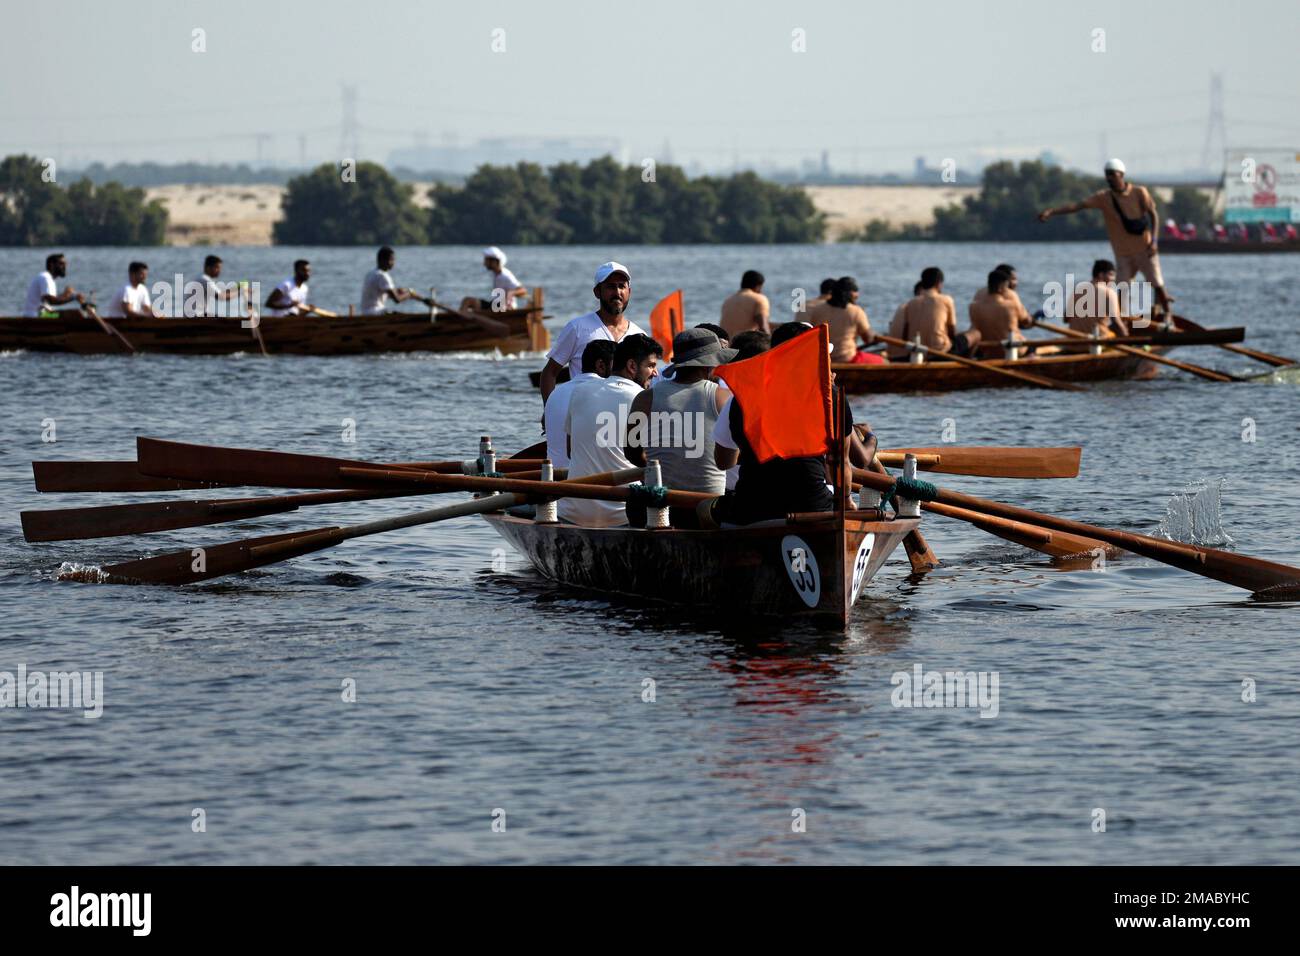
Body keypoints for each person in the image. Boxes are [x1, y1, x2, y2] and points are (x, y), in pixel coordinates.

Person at [713, 322, 875, 525]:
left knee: (706, 509)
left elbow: (724, 461)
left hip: (752, 508)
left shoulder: (742, 396)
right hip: (812, 507)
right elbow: (841, 463)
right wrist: (847, 502)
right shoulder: (830, 397)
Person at [626, 328, 734, 527]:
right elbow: (727, 463)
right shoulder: (723, 398)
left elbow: (631, 452)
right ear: (709, 363)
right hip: (707, 509)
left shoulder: (644, 398)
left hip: (661, 505)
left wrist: (658, 464)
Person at [1038, 159, 1173, 315]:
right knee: (1121, 289)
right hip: (1123, 254)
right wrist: (1051, 212)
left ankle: (1168, 315)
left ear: (1121, 174)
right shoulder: (1103, 198)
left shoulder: (1139, 192)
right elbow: (1077, 206)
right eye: (1107, 175)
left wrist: (1154, 241)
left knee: (1157, 283)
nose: (1109, 178)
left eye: (1112, 174)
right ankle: (1121, 322)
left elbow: (1153, 215)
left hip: (1145, 249)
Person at [560, 333, 662, 527]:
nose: (655, 373)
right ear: (632, 366)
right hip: (624, 516)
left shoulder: (580, 391)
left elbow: (569, 451)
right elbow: (658, 463)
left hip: (572, 512)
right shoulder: (645, 399)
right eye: (651, 366)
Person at [539, 261, 646, 402]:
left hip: (625, 415)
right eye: (611, 287)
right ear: (597, 292)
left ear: (629, 292)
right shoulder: (577, 328)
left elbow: (645, 381)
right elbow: (550, 373)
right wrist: (549, 409)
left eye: (622, 286)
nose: (617, 292)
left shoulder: (639, 336)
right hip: (583, 413)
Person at [543, 339, 614, 470]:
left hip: (552, 475)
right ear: (601, 366)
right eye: (616, 366)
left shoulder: (556, 393)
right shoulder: (603, 392)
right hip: (583, 479)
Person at [806, 276, 879, 363]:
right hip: (847, 359)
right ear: (849, 293)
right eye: (855, 291)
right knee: (885, 361)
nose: (857, 295)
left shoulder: (817, 309)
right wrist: (875, 336)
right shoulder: (856, 311)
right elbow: (868, 339)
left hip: (823, 359)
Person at [967, 269, 1032, 358]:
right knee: (1032, 348)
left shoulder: (973, 307)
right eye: (1006, 288)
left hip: (987, 351)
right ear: (1001, 288)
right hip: (1011, 350)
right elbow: (1027, 321)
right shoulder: (1011, 305)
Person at [894, 267, 957, 355]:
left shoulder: (911, 303)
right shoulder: (946, 300)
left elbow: (905, 337)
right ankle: (967, 366)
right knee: (975, 334)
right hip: (940, 351)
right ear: (939, 283)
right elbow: (952, 334)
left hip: (917, 351)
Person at [1065, 259, 1128, 347]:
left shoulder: (1078, 290)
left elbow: (1065, 319)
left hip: (1072, 345)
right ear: (1101, 275)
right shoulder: (1109, 293)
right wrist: (1128, 340)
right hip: (1095, 346)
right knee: (1117, 332)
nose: (1114, 279)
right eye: (1111, 275)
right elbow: (1117, 323)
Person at [359, 246, 432, 315]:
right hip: (376, 313)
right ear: (382, 260)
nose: (393, 263)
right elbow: (397, 299)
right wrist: (409, 294)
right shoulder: (383, 276)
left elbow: (389, 292)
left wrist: (423, 299)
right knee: (402, 317)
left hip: (365, 312)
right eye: (391, 260)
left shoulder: (371, 273)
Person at [463, 246, 527, 313]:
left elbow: (523, 290)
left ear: (494, 261)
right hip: (496, 305)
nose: (484, 264)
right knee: (468, 301)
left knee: (469, 302)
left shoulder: (505, 275)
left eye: (486, 261)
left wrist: (511, 293)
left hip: (505, 308)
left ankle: (460, 320)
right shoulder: (496, 274)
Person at [23, 253, 87, 317]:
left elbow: (51, 299)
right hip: (38, 315)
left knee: (77, 314)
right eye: (61, 264)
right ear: (52, 265)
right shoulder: (45, 278)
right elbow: (51, 301)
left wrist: (65, 294)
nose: (65, 267)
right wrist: (73, 297)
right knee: (75, 314)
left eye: (65, 264)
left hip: (44, 314)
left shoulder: (49, 279)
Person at [719, 270, 771, 338]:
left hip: (726, 344)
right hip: (744, 344)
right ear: (758, 286)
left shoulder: (728, 300)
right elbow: (763, 328)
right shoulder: (760, 299)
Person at [885, 281, 923, 361]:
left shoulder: (904, 305)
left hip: (892, 354)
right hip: (904, 357)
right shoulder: (915, 308)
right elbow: (905, 336)